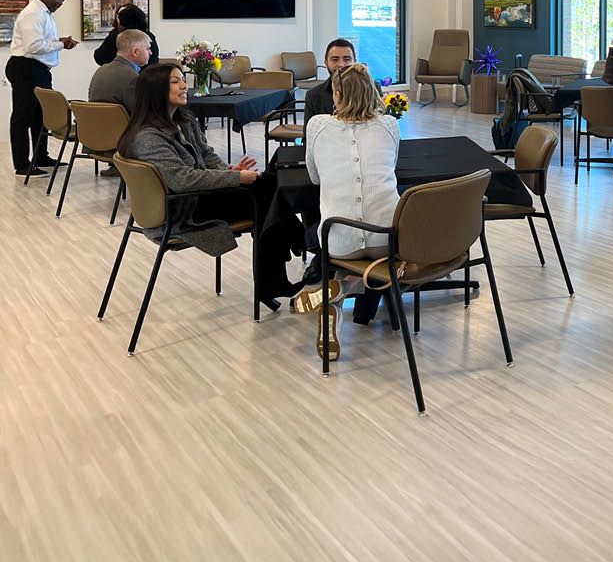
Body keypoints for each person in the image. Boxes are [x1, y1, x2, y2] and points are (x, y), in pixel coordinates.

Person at [118, 64, 309, 309]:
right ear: (155, 91)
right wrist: (236, 179)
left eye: (182, 80)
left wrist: (229, 171)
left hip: (198, 196)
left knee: (267, 190)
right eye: (175, 82)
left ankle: (284, 264)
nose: (184, 86)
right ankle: (302, 243)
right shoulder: (148, 137)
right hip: (183, 208)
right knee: (267, 194)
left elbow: (207, 155)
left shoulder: (184, 120)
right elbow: (182, 180)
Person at [297, 64, 400, 361]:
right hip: (386, 239)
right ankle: (343, 289)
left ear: (337, 95)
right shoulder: (389, 125)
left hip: (338, 240)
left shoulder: (317, 125)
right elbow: (391, 165)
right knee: (393, 258)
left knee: (343, 251)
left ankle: (336, 293)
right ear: (373, 92)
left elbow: (314, 177)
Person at [6, 0, 78, 176]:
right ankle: (22, 164)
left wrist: (59, 41)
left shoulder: (45, 13)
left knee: (40, 115)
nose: (60, 3)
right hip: (26, 68)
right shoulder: (33, 13)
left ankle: (40, 156)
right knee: (23, 116)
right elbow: (33, 46)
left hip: (37, 69)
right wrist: (61, 44)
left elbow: (42, 41)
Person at [88, 29, 151, 115]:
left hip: (95, 122)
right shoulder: (132, 78)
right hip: (120, 123)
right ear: (135, 52)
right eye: (148, 49)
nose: (151, 53)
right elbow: (141, 115)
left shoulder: (101, 70)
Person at [302, 38, 358, 123]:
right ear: (326, 63)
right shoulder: (313, 96)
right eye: (335, 59)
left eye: (347, 59)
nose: (341, 64)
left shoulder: (372, 90)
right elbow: (309, 131)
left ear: (355, 62)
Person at [92, 4, 159, 67]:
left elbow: (99, 58)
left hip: (120, 73)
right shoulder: (149, 36)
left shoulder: (116, 37)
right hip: (145, 73)